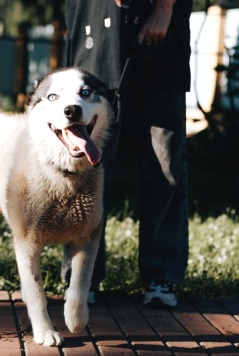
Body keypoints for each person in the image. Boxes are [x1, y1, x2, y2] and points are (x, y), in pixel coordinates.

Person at [62, 0, 192, 308]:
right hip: (96, 24)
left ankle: (163, 274)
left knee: (166, 163)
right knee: (86, 163)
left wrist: (164, 6)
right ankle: (82, 275)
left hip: (163, 31)